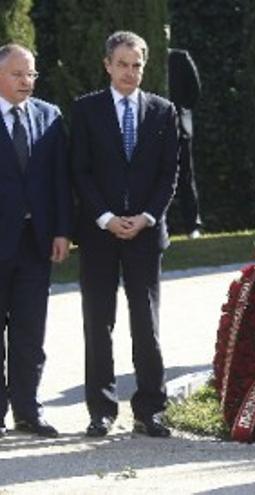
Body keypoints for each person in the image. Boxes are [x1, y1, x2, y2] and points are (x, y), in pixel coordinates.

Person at [71, 31, 179, 438]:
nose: (129, 73)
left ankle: (150, 409)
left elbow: (170, 173)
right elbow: (79, 170)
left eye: (137, 65)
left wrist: (148, 216)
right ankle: (101, 410)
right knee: (99, 322)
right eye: (122, 64)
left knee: (145, 324)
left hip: (146, 234)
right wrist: (105, 217)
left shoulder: (162, 111)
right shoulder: (85, 110)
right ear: (107, 65)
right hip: (100, 234)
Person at [0, 44, 72, 439]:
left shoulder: (49, 117)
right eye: (17, 74)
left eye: (31, 75)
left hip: (36, 243)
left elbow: (60, 180)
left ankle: (28, 410)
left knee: (30, 331)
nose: (26, 82)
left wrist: (62, 230)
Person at [167, 46, 202, 237]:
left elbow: (194, 92)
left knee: (185, 177)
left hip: (179, 127)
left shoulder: (179, 58)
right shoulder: (139, 61)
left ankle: (192, 225)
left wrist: (181, 112)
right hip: (150, 128)